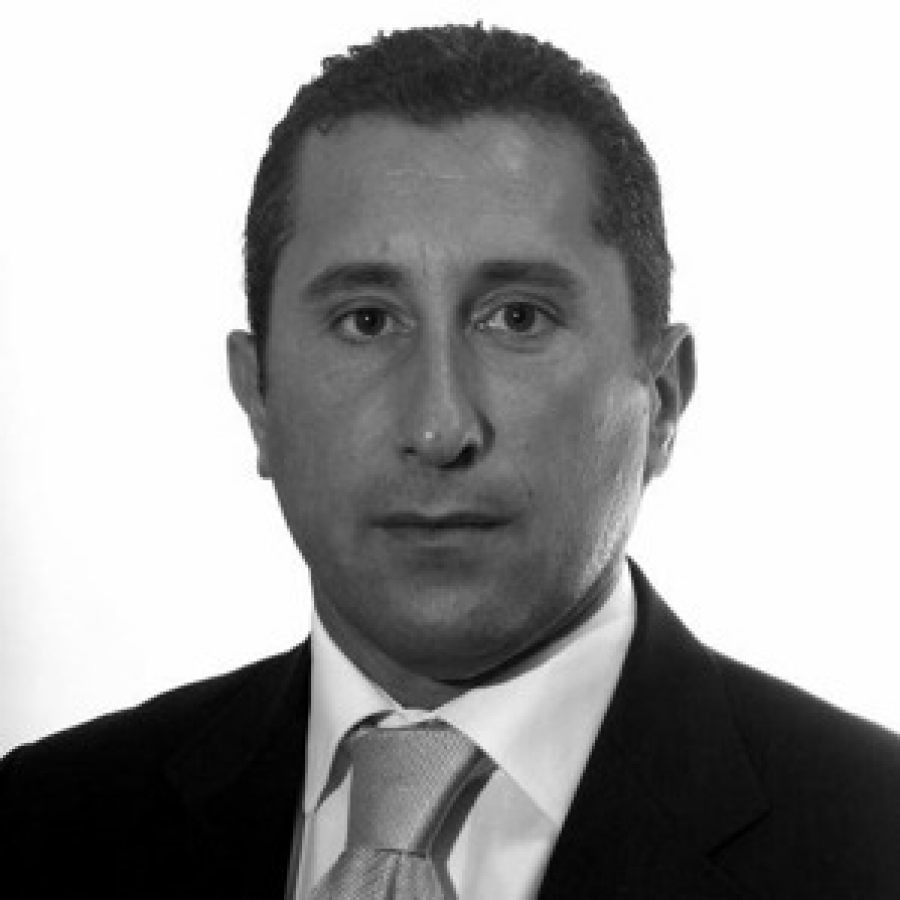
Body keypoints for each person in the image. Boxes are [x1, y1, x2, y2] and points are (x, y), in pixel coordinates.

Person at [1, 22, 898, 900]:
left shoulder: (875, 837)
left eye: (518, 318)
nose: (439, 428)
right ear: (257, 397)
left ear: (661, 399)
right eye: (366, 321)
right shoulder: (41, 822)